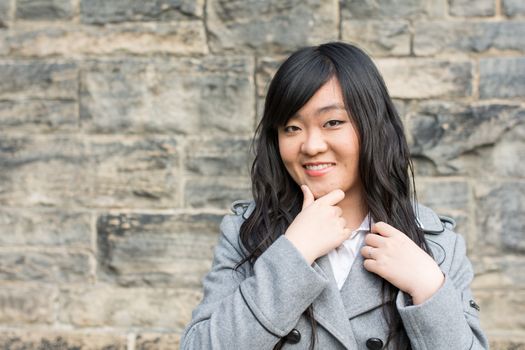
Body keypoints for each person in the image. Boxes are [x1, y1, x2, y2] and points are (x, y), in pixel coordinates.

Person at [180, 42, 489, 349]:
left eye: (333, 122)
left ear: (373, 126)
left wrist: (428, 287)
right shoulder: (247, 232)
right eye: (291, 127)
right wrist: (293, 253)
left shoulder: (436, 244)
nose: (311, 145)